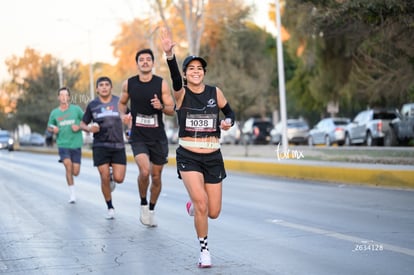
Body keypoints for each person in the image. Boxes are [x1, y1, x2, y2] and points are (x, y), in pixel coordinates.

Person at [160, 27, 235, 268]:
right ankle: (204, 251)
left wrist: (228, 122)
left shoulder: (215, 92)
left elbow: (230, 113)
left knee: (213, 212)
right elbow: (174, 79)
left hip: (213, 155)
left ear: (203, 72)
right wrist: (170, 55)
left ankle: (193, 205)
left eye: (199, 68)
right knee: (203, 205)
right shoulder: (181, 95)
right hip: (188, 156)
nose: (195, 71)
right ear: (185, 73)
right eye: (191, 68)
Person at [118, 48, 175, 227]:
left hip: (158, 137)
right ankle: (143, 204)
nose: (144, 62)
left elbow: (172, 110)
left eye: (148, 59)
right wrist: (123, 116)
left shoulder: (161, 84)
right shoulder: (129, 84)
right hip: (138, 136)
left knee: (156, 177)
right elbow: (121, 104)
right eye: (141, 59)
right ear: (137, 63)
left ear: (152, 63)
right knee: (145, 171)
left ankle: (151, 209)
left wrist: (160, 106)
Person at [80, 76, 127, 219]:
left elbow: (128, 116)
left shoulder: (119, 102)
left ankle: (113, 177)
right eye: (101, 85)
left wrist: (129, 126)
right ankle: (110, 207)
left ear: (111, 87)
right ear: (97, 89)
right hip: (100, 145)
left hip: (118, 145)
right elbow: (82, 123)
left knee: (119, 179)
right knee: (104, 176)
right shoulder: (92, 105)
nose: (104, 87)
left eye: (107, 84)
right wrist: (89, 129)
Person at [47, 87, 84, 203]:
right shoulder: (54, 113)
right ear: (58, 97)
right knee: (68, 165)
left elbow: (85, 121)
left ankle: (72, 177)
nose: (63, 97)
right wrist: (54, 130)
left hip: (76, 144)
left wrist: (79, 127)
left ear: (69, 97)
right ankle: (72, 194)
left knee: (76, 172)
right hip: (63, 144)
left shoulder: (76, 110)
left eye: (66, 95)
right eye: (61, 95)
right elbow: (49, 127)